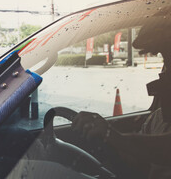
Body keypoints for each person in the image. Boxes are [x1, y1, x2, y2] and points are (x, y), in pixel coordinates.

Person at [71, 19, 171, 179]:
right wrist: (104, 141)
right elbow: (136, 160)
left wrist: (110, 134)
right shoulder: (158, 118)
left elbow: (166, 149)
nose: (165, 71)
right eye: (166, 61)